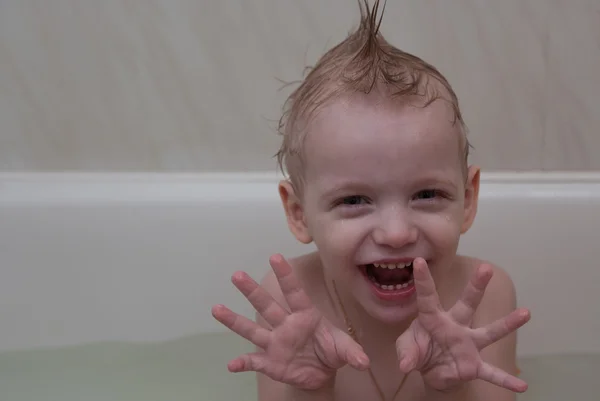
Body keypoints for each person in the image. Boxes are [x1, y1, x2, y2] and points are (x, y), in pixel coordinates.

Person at [211, 1, 531, 400]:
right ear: (299, 213)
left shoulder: (484, 295)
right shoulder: (287, 302)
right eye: (354, 200)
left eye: (427, 194)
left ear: (467, 200)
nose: (396, 233)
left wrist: (447, 387)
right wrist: (312, 387)